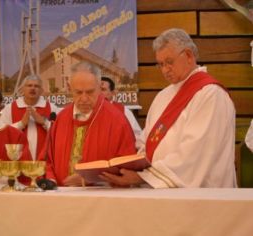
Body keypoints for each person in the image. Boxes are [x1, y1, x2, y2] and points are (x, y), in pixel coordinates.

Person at [100, 28, 237, 188]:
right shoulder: (163, 96)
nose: (165, 70)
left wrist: (144, 177)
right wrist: (127, 165)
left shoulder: (211, 95)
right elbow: (147, 141)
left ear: (188, 55)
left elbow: (196, 153)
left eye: (169, 62)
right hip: (162, 190)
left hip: (203, 195)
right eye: (160, 64)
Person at [44, 61, 137, 186]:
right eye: (78, 92)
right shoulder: (61, 118)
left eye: (89, 92)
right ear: (69, 87)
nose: (83, 98)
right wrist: (51, 181)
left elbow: (127, 168)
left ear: (99, 87)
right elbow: (47, 159)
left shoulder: (117, 120)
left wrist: (88, 180)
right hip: (61, 196)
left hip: (100, 199)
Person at [0, 75, 59, 161]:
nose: (32, 88)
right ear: (23, 89)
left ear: (41, 90)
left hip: (45, 160)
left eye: (36, 86)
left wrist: (44, 122)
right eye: (29, 85)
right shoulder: (9, 109)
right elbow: (2, 133)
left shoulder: (52, 108)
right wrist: (21, 124)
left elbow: (60, 133)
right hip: (17, 162)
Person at [101, 76, 142, 142]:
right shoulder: (88, 111)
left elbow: (137, 136)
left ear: (113, 93)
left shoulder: (124, 111)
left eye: (103, 89)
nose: (99, 93)